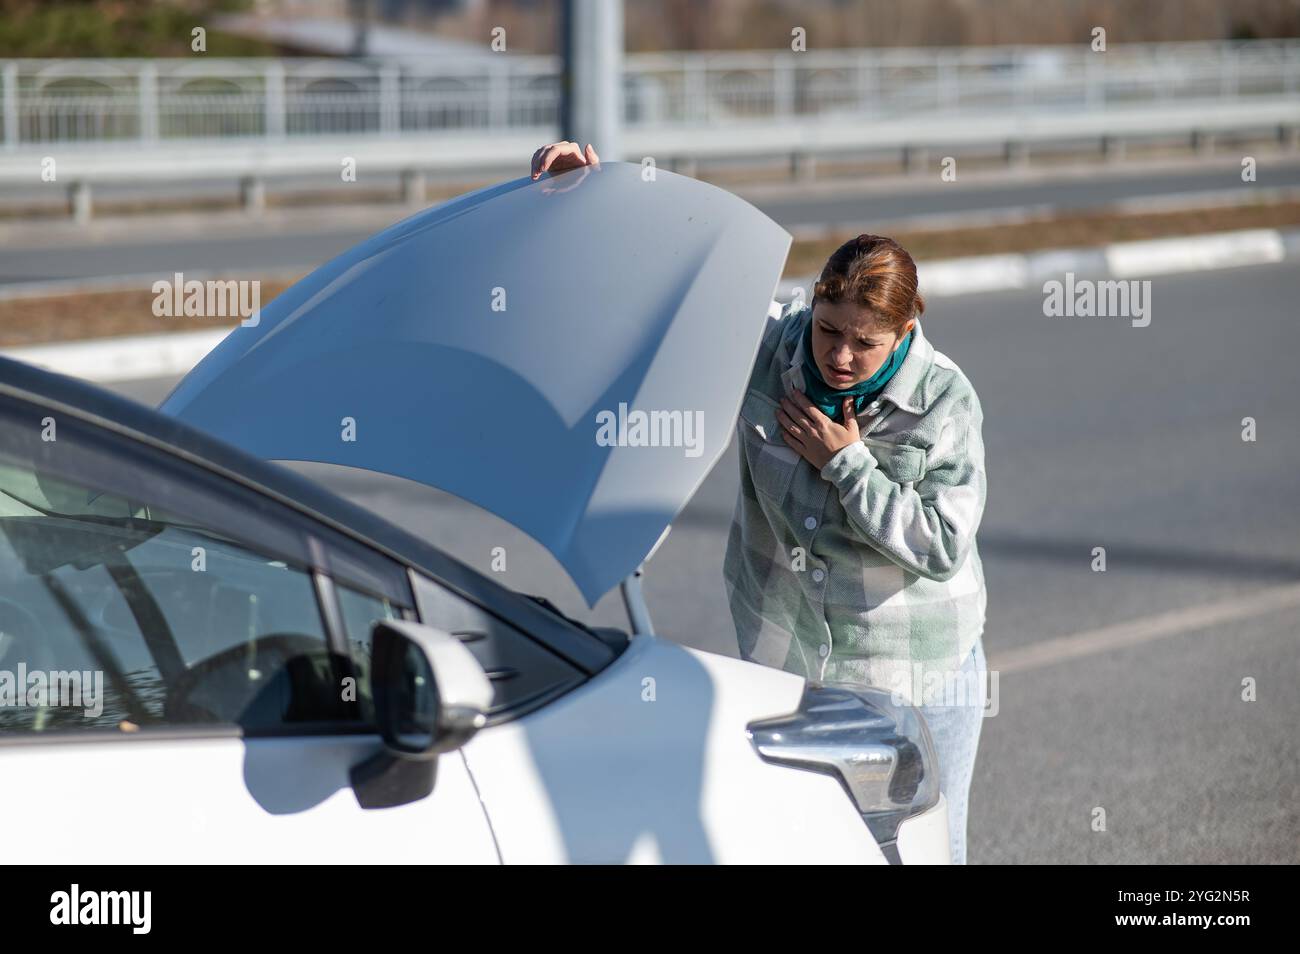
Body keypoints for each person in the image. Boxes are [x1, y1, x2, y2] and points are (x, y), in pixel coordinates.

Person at [531, 142, 989, 865]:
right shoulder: (772, 351)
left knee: (922, 853)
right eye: (828, 328)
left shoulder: (943, 402)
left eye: (862, 344)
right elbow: (676, 283)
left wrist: (846, 465)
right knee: (811, 845)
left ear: (903, 333)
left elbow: (940, 544)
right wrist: (587, 192)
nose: (838, 356)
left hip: (915, 673)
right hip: (792, 660)